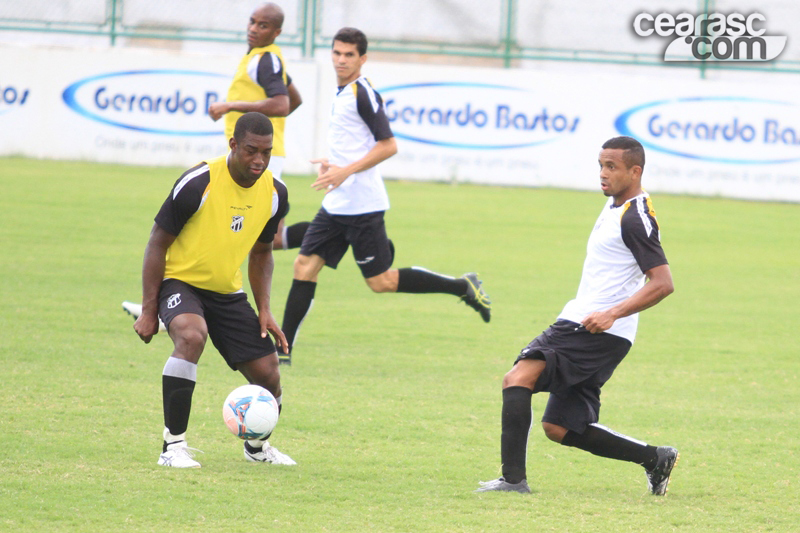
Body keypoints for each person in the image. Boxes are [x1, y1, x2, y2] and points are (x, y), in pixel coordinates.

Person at [277, 27, 491, 366]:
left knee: (381, 282)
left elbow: (388, 145)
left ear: (362, 58)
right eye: (337, 53)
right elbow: (357, 146)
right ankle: (282, 351)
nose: (341, 60)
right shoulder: (342, 92)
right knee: (304, 266)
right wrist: (334, 166)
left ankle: (461, 286)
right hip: (337, 204)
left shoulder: (362, 93)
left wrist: (346, 172)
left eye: (349, 55)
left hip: (363, 206)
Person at [476, 136, 677, 495]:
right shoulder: (617, 206)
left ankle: (513, 481)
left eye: (611, 167)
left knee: (517, 378)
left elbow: (662, 283)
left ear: (636, 171)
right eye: (600, 165)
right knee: (561, 428)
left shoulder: (635, 218)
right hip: (590, 325)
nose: (603, 173)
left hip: (593, 328)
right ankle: (656, 458)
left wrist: (612, 313)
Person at [122, 2, 307, 327]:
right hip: (255, 155)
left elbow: (282, 103)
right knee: (240, 232)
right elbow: (295, 99)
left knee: (252, 237)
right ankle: (176, 303)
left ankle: (322, 235)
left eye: (263, 25)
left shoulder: (265, 59)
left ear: (276, 32)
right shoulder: (265, 58)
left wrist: (230, 105)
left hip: (261, 159)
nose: (254, 28)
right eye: (252, 21)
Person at [134, 112, 296, 468]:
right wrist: (148, 310)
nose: (259, 160)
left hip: (226, 291)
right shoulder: (199, 182)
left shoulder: (275, 193)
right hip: (180, 281)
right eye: (251, 150)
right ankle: (172, 447)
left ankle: (257, 449)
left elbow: (263, 252)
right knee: (192, 336)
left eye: (267, 152)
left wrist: (264, 309)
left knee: (269, 372)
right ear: (233, 145)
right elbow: (156, 244)